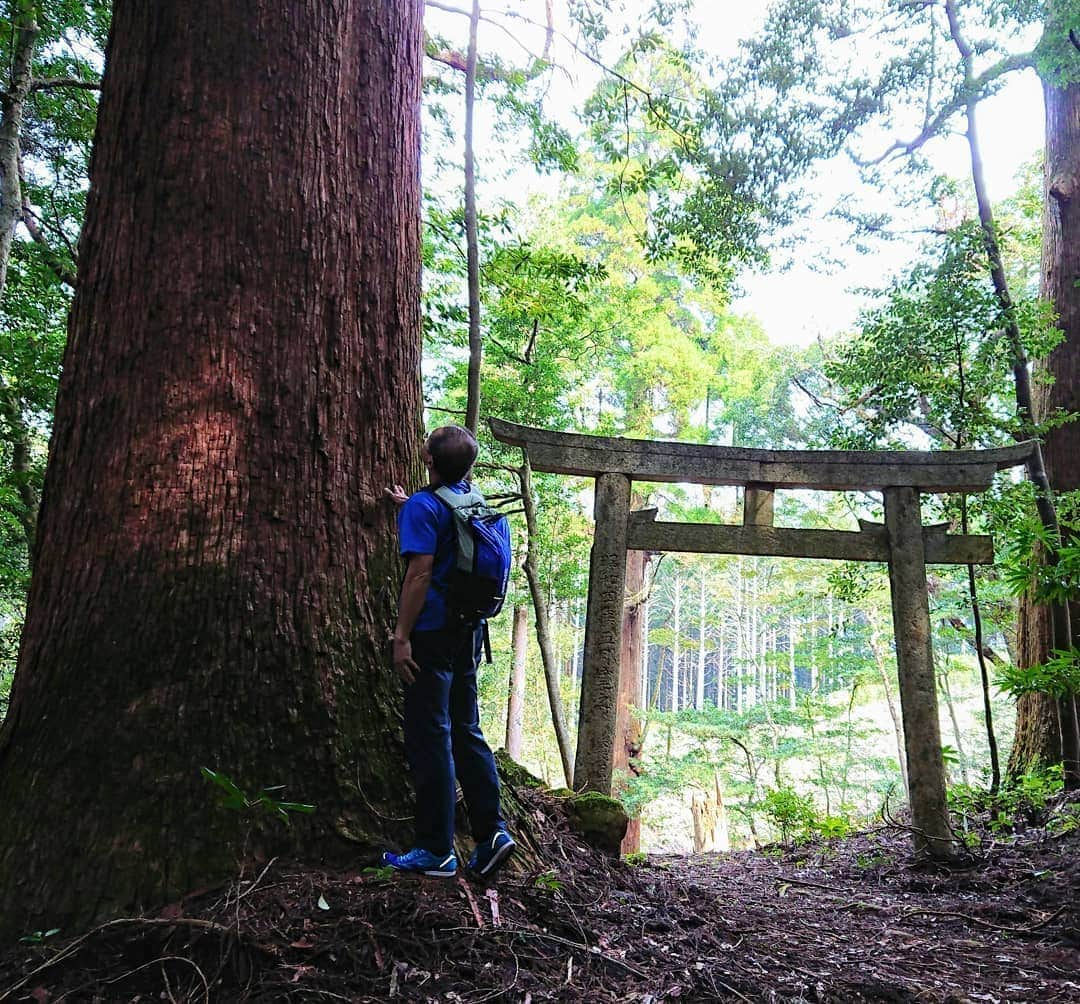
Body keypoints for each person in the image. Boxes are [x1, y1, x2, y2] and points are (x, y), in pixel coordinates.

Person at [381, 425, 515, 878]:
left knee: (430, 735)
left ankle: (436, 848)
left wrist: (401, 637)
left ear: (430, 460)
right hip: (470, 632)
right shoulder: (470, 501)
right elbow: (445, 531)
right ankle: (492, 832)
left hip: (432, 636)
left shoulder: (426, 506)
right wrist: (408, 506)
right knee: (465, 728)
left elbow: (419, 574)